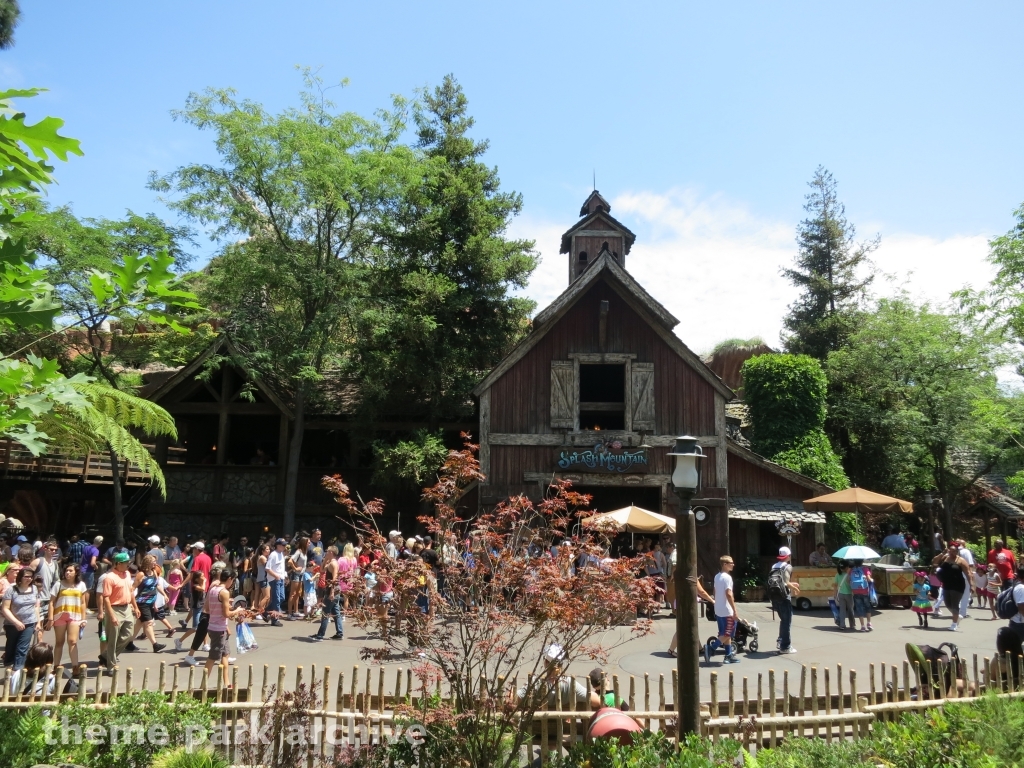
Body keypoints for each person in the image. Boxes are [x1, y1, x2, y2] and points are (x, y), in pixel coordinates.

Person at [514, 644, 601, 710]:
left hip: (535, 728)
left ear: (545, 662)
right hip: (564, 728)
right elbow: (597, 701)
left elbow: (514, 700)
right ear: (561, 664)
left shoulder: (535, 683)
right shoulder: (570, 684)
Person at [203, 567, 245, 688]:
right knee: (213, 657)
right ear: (230, 579)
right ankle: (203, 684)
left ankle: (227, 683)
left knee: (225, 655)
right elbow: (226, 614)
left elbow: (208, 608)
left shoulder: (213, 589)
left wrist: (227, 604)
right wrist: (237, 610)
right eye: (233, 580)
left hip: (216, 626)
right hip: (218, 629)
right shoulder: (224, 592)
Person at [100, 552, 140, 671]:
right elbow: (106, 598)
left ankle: (105, 656)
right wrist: (112, 615)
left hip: (127, 607)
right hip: (114, 608)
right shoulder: (109, 578)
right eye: (126, 563)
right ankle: (110, 666)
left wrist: (135, 607)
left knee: (128, 635)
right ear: (118, 564)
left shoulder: (127, 574)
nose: (128, 565)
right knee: (113, 638)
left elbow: (130, 591)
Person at [48, 563, 88, 672]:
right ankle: (56, 666)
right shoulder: (58, 584)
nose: (67, 573)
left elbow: (83, 603)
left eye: (70, 571)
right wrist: (50, 618)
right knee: (59, 642)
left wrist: (83, 618)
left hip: (75, 616)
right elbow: (51, 602)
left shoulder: (81, 585)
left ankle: (75, 667)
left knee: (72, 641)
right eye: (66, 570)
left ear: (76, 572)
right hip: (59, 615)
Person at [1, 566, 41, 672]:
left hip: (29, 622)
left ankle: (18, 671)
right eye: (26, 576)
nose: (29, 579)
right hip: (12, 624)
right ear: (20, 577)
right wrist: (16, 622)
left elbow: (36, 607)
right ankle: (9, 668)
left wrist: (38, 622)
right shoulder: (12, 589)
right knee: (11, 647)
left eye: (31, 577)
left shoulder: (34, 588)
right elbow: (5, 608)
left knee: (22, 648)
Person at [704, 555, 740, 664]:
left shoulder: (717, 576)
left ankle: (728, 655)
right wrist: (734, 610)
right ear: (724, 564)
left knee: (723, 633)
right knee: (728, 633)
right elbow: (729, 594)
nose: (733, 564)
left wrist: (716, 602)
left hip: (719, 609)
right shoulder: (727, 577)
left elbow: (715, 591)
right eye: (731, 563)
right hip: (726, 610)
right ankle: (711, 648)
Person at [932, 544, 973, 631]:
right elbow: (934, 561)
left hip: (958, 585)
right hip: (946, 584)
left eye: (953, 551)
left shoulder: (961, 560)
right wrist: (942, 553)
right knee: (948, 604)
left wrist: (972, 585)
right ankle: (957, 616)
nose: (951, 552)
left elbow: (968, 573)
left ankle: (954, 624)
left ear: (957, 551)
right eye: (950, 550)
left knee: (954, 604)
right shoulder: (945, 558)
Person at [769, 546, 801, 654]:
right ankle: (785, 646)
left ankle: (780, 640)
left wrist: (792, 584)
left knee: (783, 620)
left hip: (774, 596)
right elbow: (786, 583)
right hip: (784, 597)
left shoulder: (774, 566)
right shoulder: (788, 566)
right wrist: (795, 588)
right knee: (786, 622)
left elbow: (781, 581)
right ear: (788, 556)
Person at [133, 555, 168, 653]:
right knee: (149, 623)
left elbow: (157, 586)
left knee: (139, 623)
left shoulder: (154, 572)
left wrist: (164, 595)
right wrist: (132, 603)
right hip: (142, 602)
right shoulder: (141, 574)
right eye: (153, 561)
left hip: (151, 602)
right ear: (148, 562)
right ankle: (155, 645)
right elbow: (133, 588)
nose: (155, 563)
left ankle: (127, 642)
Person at [310, 546, 343, 641]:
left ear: (331, 552)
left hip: (332, 591)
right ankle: (339, 633)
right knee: (336, 613)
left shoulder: (333, 564)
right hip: (332, 590)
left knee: (325, 613)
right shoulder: (330, 562)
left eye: (327, 551)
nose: (326, 552)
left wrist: (332, 592)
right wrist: (324, 560)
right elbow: (322, 570)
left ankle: (320, 635)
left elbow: (334, 578)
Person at [995, 562, 1024, 671]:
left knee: (1011, 649)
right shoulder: (1021, 588)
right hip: (1020, 624)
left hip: (1018, 623)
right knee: (1011, 651)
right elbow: (1022, 608)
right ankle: (1000, 669)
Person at [265, 538, 288, 626]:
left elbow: (281, 568)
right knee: (276, 599)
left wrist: (285, 577)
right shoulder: (273, 555)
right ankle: (275, 619)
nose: (285, 546)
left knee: (281, 597)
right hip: (275, 579)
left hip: (281, 578)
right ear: (278, 545)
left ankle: (266, 612)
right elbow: (267, 568)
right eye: (283, 545)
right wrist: (276, 576)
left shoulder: (281, 554)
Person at [849, 559, 874, 631]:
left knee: (859, 608)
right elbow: (869, 579)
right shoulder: (865, 569)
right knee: (867, 607)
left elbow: (848, 580)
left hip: (855, 591)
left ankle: (862, 626)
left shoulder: (851, 570)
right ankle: (869, 623)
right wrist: (872, 580)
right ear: (862, 562)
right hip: (864, 591)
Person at [286, 537, 308, 619]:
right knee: (293, 593)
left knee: (298, 593)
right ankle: (289, 613)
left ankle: (296, 611)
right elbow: (290, 561)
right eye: (308, 542)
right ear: (304, 543)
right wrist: (295, 568)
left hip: (301, 574)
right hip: (296, 574)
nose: (309, 544)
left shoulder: (304, 552)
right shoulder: (298, 551)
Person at [833, 561, 855, 630]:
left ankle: (842, 624)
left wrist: (834, 594)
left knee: (842, 610)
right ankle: (852, 624)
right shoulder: (849, 575)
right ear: (846, 567)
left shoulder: (837, 575)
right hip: (849, 594)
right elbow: (851, 585)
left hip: (840, 594)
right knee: (850, 609)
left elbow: (835, 585)